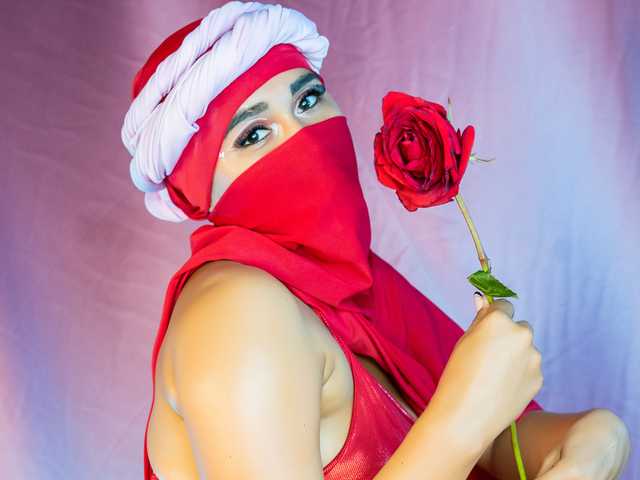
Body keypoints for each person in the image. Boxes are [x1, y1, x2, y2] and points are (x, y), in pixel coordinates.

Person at [121, 2, 631, 479]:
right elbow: (470, 425)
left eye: (307, 99)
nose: (303, 135)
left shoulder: (351, 286)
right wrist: (464, 417)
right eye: (253, 134)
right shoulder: (233, 313)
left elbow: (499, 446)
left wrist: (599, 438)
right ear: (202, 191)